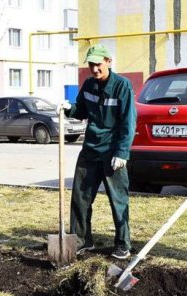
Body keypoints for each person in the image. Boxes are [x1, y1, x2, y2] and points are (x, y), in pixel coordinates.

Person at [62, 44, 137, 259]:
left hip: (112, 152)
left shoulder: (122, 86)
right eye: (91, 65)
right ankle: (81, 239)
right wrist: (69, 108)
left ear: (108, 62)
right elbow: (82, 111)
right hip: (90, 149)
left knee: (118, 199)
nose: (94, 69)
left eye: (98, 64)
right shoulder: (88, 85)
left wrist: (122, 153)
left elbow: (128, 122)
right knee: (80, 196)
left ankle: (123, 243)